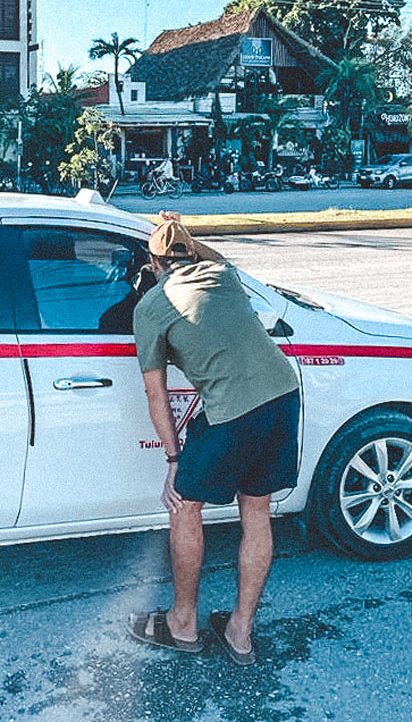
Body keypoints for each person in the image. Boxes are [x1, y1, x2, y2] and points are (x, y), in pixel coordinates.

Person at [127, 212, 300, 665]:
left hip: (234, 412)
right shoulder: (221, 273)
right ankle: (240, 632)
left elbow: (155, 393)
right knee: (256, 508)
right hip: (283, 394)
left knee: (185, 504)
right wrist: (181, 233)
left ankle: (183, 624)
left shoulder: (150, 306)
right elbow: (210, 255)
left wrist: (172, 461)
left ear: (152, 261)